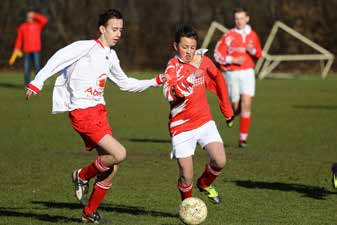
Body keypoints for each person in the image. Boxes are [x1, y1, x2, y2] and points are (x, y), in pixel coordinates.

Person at [25, 9, 165, 223]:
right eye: (114, 29)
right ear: (102, 29)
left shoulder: (111, 55)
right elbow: (57, 59)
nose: (118, 33)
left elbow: (125, 84)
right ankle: (81, 176)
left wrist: (154, 81)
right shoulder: (85, 47)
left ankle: (88, 213)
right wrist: (37, 82)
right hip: (82, 112)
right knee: (119, 154)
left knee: (112, 168)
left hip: (99, 111)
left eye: (121, 30)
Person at [162, 25, 234, 204]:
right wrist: (190, 75)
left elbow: (218, 78)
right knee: (186, 176)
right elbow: (169, 92)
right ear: (175, 46)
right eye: (184, 47)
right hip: (181, 127)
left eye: (192, 47)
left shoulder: (203, 61)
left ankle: (204, 183)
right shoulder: (172, 67)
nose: (189, 51)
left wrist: (227, 110)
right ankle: (187, 206)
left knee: (220, 160)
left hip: (204, 121)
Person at [214, 8, 262, 148]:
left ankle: (243, 139)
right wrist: (233, 60)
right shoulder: (228, 35)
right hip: (232, 73)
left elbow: (259, 54)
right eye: (236, 18)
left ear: (247, 19)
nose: (239, 21)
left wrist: (251, 49)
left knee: (246, 104)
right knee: (236, 106)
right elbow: (217, 54)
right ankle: (231, 113)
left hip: (248, 73)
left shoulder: (253, 35)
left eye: (241, 18)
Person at [10, 10, 48, 86]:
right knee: (26, 68)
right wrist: (16, 48)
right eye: (28, 16)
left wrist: (35, 15)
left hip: (36, 50)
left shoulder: (37, 25)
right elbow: (19, 39)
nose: (29, 17)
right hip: (26, 50)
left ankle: (38, 84)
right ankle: (27, 85)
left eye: (30, 16)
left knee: (37, 67)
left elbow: (45, 20)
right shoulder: (22, 26)